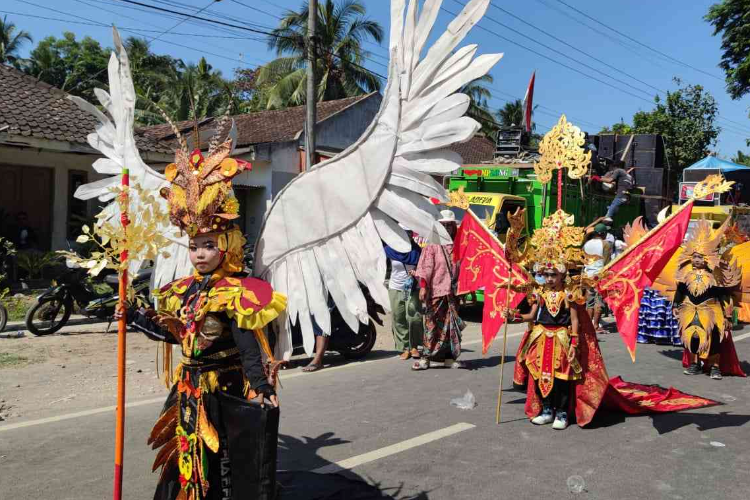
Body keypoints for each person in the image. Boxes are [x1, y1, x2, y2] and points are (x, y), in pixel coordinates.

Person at [116, 142, 287, 499]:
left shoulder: (238, 291)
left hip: (224, 389)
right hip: (189, 388)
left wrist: (262, 387)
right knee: (188, 459)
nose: (199, 254)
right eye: (194, 246)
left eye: (208, 245)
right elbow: (174, 335)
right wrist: (131, 315)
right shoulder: (184, 290)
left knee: (224, 462)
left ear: (225, 245)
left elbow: (248, 345)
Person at [674, 218, 744, 380]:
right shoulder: (686, 273)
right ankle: (694, 364)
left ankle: (715, 367)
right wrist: (676, 305)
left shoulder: (716, 274)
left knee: (713, 340)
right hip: (689, 310)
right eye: (694, 256)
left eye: (700, 257)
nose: (696, 260)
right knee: (692, 338)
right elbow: (680, 290)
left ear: (707, 259)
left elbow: (724, 295)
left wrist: (727, 316)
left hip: (712, 311)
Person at [412, 210, 465, 370]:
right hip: (436, 292)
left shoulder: (458, 245)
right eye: (444, 225)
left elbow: (463, 269)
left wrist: (466, 290)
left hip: (452, 294)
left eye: (450, 225)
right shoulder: (433, 245)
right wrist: (423, 287)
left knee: (450, 328)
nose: (447, 228)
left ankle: (449, 357)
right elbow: (426, 267)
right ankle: (426, 358)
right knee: (431, 325)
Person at [385, 229, 423, 360]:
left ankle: (414, 346)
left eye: (408, 233)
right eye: (403, 233)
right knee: (398, 317)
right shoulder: (389, 250)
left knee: (413, 317)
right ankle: (404, 347)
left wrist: (417, 272)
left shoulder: (417, 251)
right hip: (395, 287)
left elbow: (425, 267)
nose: (406, 236)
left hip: (413, 288)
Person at [582, 223, 613, 334]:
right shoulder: (606, 244)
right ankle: (595, 325)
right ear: (604, 234)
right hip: (599, 276)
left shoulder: (586, 244)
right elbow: (607, 262)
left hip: (587, 275)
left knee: (589, 302)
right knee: (599, 301)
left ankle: (588, 325)